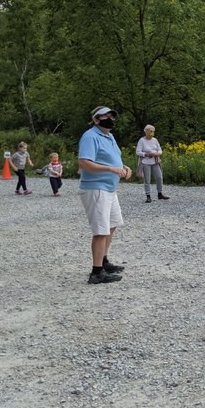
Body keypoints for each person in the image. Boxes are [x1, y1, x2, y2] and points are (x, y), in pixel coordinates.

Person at [78, 106, 132, 285]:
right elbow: (84, 163)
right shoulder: (90, 136)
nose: (110, 118)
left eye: (111, 116)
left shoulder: (109, 137)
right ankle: (96, 272)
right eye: (105, 116)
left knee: (112, 225)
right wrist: (110, 169)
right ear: (96, 120)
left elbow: (114, 158)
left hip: (109, 188)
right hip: (96, 188)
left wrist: (124, 168)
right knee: (101, 230)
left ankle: (104, 260)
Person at [135, 125, 169, 203]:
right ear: (146, 131)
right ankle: (148, 196)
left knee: (159, 177)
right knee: (147, 180)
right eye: (150, 131)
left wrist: (157, 153)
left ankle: (160, 194)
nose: (152, 133)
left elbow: (160, 150)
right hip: (145, 162)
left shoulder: (155, 140)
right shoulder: (142, 140)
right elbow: (138, 152)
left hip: (155, 161)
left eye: (153, 131)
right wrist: (146, 154)